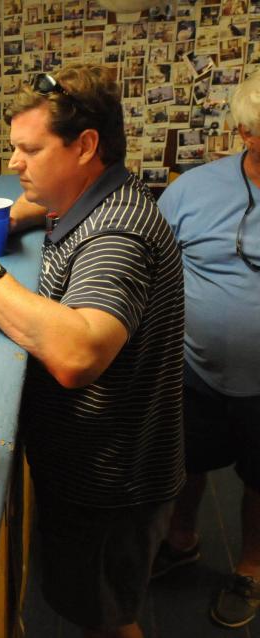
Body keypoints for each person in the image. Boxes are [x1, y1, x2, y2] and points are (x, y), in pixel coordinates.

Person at [0, 66, 185, 638]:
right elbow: (51, 212)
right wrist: (13, 211)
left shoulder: (116, 233)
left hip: (111, 482)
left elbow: (77, 355)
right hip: (98, 471)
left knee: (108, 622)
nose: (15, 163)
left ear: (85, 146)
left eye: (30, 150)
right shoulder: (96, 200)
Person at [154, 71, 260, 629]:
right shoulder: (192, 191)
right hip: (195, 371)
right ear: (246, 131)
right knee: (188, 466)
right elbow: (150, 264)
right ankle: (181, 539)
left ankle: (250, 567)